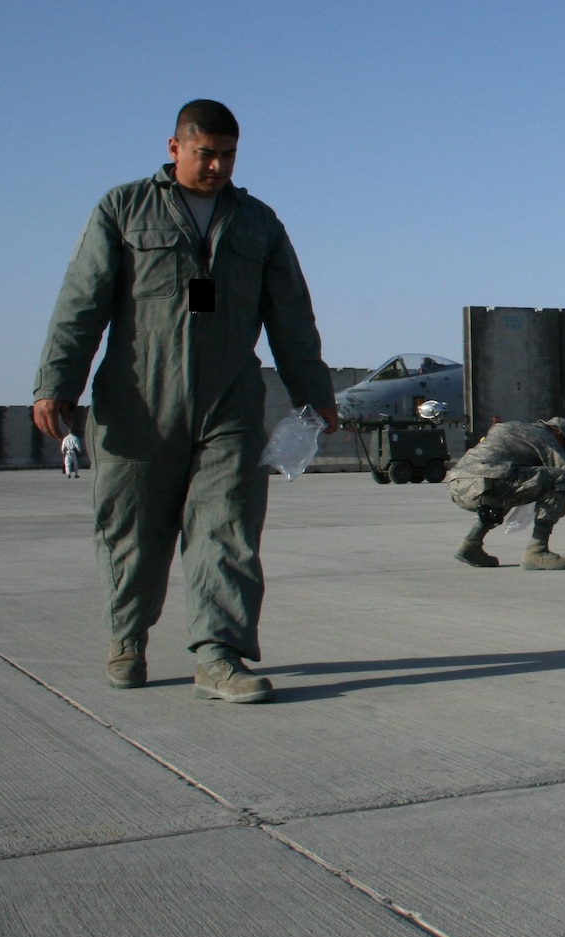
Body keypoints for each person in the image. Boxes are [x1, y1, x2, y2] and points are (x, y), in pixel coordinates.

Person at [32, 100, 338, 703]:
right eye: (206, 154)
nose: (218, 166)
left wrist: (315, 394)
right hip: (138, 401)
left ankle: (218, 655)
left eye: (228, 155)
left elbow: (292, 318)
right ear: (175, 148)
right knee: (132, 533)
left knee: (227, 531)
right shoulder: (123, 209)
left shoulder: (259, 224)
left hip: (230, 404)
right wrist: (55, 384)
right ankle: (127, 639)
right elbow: (81, 302)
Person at [448, 417, 565, 568]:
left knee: (507, 487)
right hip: (488, 479)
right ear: (558, 433)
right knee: (558, 478)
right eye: (564, 447)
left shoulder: (508, 428)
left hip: (457, 484)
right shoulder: (546, 436)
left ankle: (471, 544)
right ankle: (537, 551)